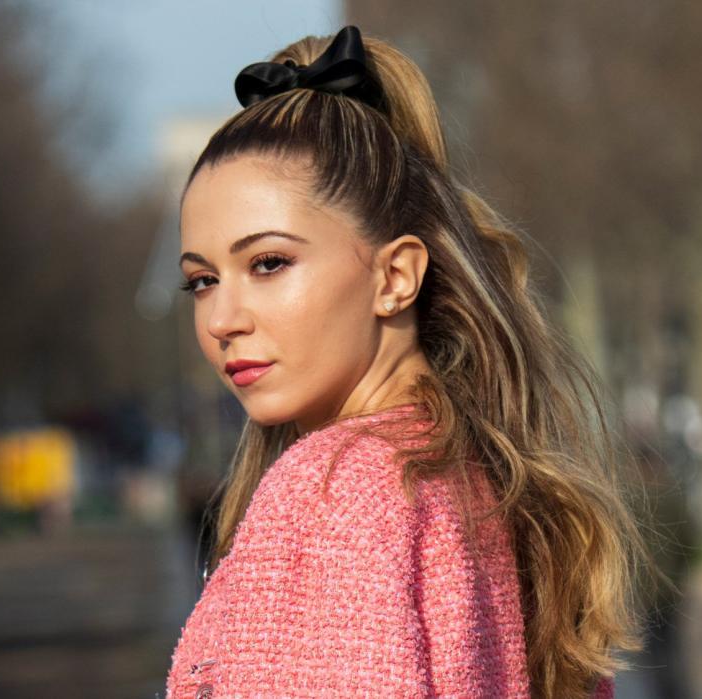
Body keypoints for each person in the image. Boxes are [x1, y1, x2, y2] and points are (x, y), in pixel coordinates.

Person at [167, 25, 654, 699]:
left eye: (269, 263)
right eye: (202, 280)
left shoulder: (331, 492)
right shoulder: (490, 487)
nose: (222, 319)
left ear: (395, 275)